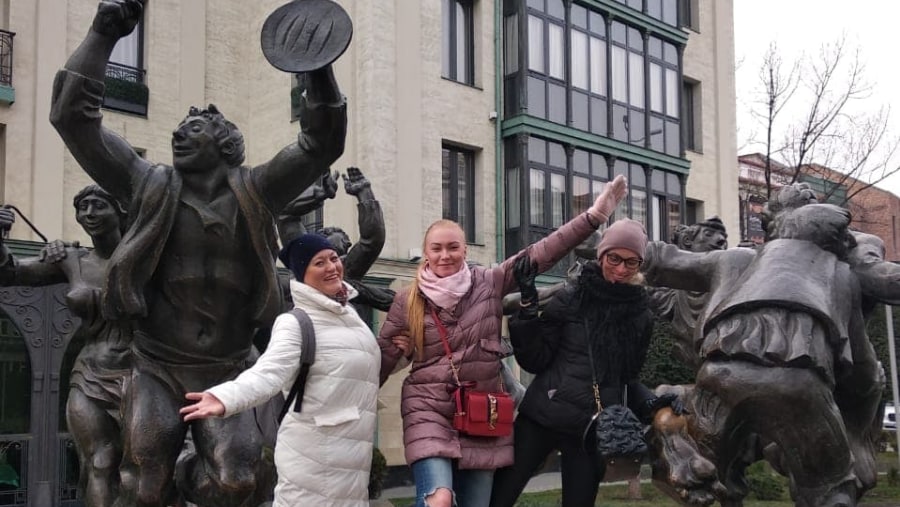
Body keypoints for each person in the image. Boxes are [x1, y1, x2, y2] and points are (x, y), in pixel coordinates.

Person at [48, 1, 347, 505]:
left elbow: (321, 142)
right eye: (180, 128)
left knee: (237, 482)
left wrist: (315, 64)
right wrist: (103, 34)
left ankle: (190, 471)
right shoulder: (148, 186)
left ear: (227, 144)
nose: (180, 132)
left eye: (196, 127)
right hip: (157, 365)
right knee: (143, 486)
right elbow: (73, 119)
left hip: (229, 366)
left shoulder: (257, 191)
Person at [378, 174, 628, 507]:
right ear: (425, 253)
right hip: (429, 411)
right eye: (436, 248)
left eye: (453, 247)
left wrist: (593, 216)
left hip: (483, 415)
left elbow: (541, 252)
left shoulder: (489, 282)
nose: (445, 255)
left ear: (465, 249)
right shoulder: (408, 299)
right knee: (439, 500)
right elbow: (381, 358)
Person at [489, 219, 684, 507]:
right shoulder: (572, 296)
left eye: (631, 262)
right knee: (499, 498)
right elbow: (535, 359)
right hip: (542, 416)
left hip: (588, 430)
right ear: (601, 255)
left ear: (639, 265)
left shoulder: (640, 316)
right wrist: (528, 310)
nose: (620, 269)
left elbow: (626, 378)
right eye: (614, 258)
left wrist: (653, 403)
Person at [180, 233, 379, 507]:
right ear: (301, 274)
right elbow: (269, 373)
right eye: (319, 263)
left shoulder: (349, 316)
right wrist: (226, 397)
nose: (331, 267)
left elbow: (362, 368)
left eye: (333, 258)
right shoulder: (295, 322)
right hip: (316, 454)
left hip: (352, 454)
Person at [0, 186, 129, 507]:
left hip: (141, 375)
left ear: (120, 211)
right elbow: (10, 273)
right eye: (82, 207)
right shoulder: (71, 260)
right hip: (90, 374)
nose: (89, 213)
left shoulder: (145, 261)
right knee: (99, 462)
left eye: (98, 205)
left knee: (138, 468)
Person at [277, 166, 394, 312]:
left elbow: (372, 241)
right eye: (343, 239)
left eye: (334, 258)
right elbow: (286, 216)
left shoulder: (342, 270)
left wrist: (365, 193)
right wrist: (316, 195)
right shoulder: (303, 254)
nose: (348, 243)